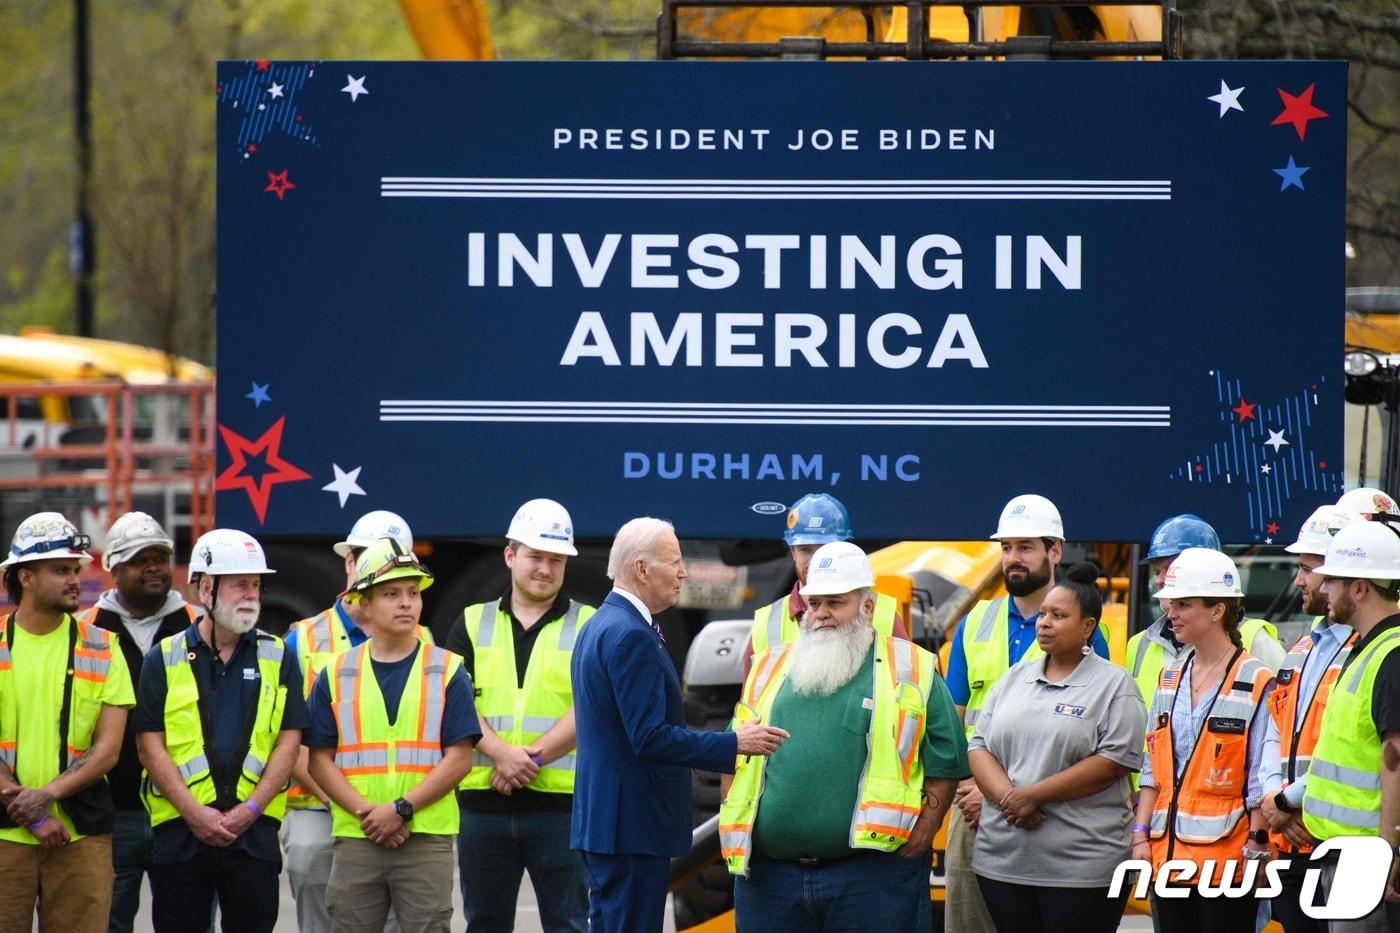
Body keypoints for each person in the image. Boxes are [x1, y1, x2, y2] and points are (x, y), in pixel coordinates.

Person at [721, 541, 965, 931]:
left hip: (871, 880)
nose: (821, 614)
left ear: (867, 608)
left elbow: (947, 759)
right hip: (770, 881)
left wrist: (926, 830)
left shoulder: (911, 669)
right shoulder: (767, 668)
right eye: (814, 604)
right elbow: (733, 754)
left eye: (835, 603)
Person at [570, 517, 788, 932]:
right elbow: (649, 737)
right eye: (674, 562)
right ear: (641, 569)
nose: (684, 572)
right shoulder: (630, 634)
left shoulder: (599, 624)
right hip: (631, 828)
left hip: (608, 824)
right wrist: (734, 743)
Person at [943, 493, 1109, 933]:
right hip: (974, 805)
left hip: (1054, 814)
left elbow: (1094, 735)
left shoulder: (1090, 630)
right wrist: (981, 791)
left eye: (1025, 547)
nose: (1012, 559)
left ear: (1055, 551)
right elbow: (953, 725)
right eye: (1006, 548)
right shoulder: (974, 622)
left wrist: (1015, 797)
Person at [134, 528, 306, 933]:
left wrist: (249, 811)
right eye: (240, 584)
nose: (252, 594)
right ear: (206, 588)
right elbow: (149, 745)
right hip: (181, 834)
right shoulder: (165, 657)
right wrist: (196, 814)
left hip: (253, 835)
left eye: (257, 585)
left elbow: (289, 741)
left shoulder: (279, 655)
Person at [306, 537, 480, 933]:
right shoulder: (335, 672)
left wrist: (399, 809)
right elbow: (319, 758)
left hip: (424, 834)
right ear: (364, 604)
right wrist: (368, 814)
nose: (406, 603)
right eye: (391, 594)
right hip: (358, 834)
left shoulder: (448, 669)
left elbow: (460, 757)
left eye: (413, 593)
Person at [968, 562, 1146, 933]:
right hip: (1004, 862)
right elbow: (980, 745)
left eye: (1058, 615)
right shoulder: (1015, 678)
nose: (1044, 622)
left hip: (1080, 868)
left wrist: (1032, 796)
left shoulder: (1114, 685)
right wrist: (1009, 798)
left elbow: (1113, 762)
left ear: (1087, 628)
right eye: (1043, 614)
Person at [445, 498, 594, 933]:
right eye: (535, 556)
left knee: (568, 924)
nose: (545, 568)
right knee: (485, 924)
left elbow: (592, 705)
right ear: (510, 556)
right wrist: (501, 754)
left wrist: (527, 760)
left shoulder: (590, 625)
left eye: (556, 559)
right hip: (483, 807)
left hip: (563, 809)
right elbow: (456, 701)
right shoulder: (471, 623)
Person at [282, 509, 418, 933]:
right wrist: (349, 806)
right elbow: (290, 738)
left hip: (398, 808)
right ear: (349, 563)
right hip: (317, 802)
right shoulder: (301, 640)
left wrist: (394, 810)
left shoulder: (423, 641)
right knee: (310, 861)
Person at [0, 512, 134, 932]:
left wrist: (48, 796)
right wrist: (34, 815)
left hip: (82, 837)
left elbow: (108, 750)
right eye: (61, 570)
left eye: (76, 569)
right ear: (26, 577)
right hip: (5, 837)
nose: (76, 578)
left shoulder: (104, 648)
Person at [1133, 548, 1275, 933]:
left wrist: (1258, 843)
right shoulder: (1169, 677)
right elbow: (1152, 769)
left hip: (1227, 860)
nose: (1171, 614)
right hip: (1168, 857)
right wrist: (1139, 837)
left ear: (1218, 610)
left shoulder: (1257, 680)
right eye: (1170, 603)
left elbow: (1261, 776)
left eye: (1184, 604)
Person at [78, 511, 200, 933]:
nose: (153, 568)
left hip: (185, 810)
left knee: (186, 921)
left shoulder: (198, 625)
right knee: (107, 922)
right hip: (113, 812)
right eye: (139, 559)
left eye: (160, 558)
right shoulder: (86, 631)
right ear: (112, 567)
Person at [1255, 505, 1359, 933]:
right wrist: (1271, 801)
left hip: (1333, 842)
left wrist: (1285, 803)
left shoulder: (1366, 649)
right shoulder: (1301, 648)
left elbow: (1351, 749)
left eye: (1308, 569)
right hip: (1290, 841)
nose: (1298, 580)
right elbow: (1273, 733)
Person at [1301, 520, 1400, 930]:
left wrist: (1387, 852)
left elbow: (1395, 760)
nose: (1324, 588)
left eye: (1334, 579)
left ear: (1360, 588)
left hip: (1365, 859)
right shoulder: (1370, 647)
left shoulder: (1391, 654)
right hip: (1346, 852)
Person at [742, 492, 909, 677]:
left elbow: (908, 691)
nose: (815, 560)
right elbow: (753, 700)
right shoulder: (766, 624)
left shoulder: (884, 614)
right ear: (793, 552)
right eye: (805, 550)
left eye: (825, 549)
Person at [1127, 515, 1285, 709]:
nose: (1160, 580)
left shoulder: (1255, 639)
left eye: (1169, 569)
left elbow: (1285, 715)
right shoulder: (1139, 644)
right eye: (1157, 571)